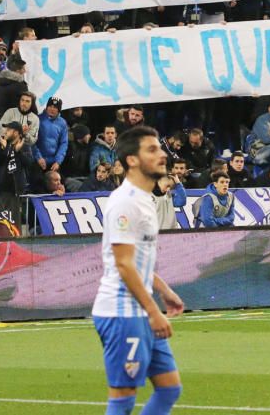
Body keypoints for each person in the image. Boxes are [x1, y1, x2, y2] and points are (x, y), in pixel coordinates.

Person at [92, 125, 184, 415]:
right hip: (122, 313)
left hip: (138, 311)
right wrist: (154, 312)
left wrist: (164, 290)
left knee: (170, 388)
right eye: (152, 149)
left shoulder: (145, 199)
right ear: (132, 159)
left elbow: (137, 258)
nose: (162, 155)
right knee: (123, 397)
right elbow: (123, 264)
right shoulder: (125, 202)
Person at [37, 96, 68, 173]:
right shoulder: (38, 119)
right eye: (50, 106)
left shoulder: (62, 123)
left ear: (59, 110)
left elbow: (64, 143)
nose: (52, 109)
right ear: (46, 107)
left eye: (55, 107)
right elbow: (32, 142)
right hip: (38, 161)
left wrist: (58, 161)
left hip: (54, 163)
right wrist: (38, 158)